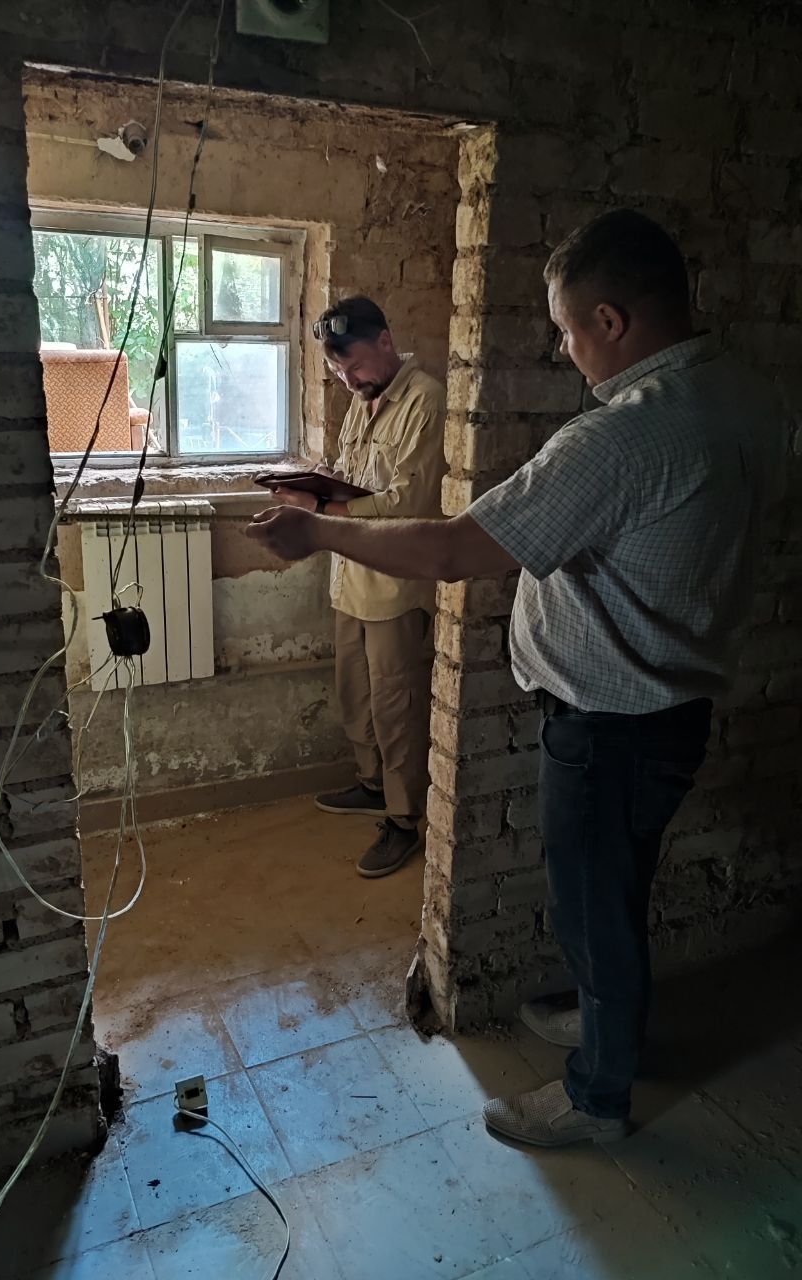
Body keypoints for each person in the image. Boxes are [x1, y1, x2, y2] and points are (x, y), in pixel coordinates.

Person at [246, 211, 786, 1147]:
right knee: (619, 887)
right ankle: (611, 1019)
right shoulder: (747, 393)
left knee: (593, 903)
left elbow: (456, 548)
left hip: (607, 721)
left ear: (610, 321)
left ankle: (597, 1096)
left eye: (568, 330)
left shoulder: (622, 437)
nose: (565, 349)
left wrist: (317, 530)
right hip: (677, 705)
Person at [270, 296, 446, 878]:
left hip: (394, 584)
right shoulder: (361, 398)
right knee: (356, 694)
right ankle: (372, 786)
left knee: (396, 705)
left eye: (354, 366)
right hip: (348, 574)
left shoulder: (426, 401)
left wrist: (320, 508)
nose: (348, 381)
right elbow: (352, 478)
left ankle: (404, 818)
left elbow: (408, 503)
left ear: (386, 341)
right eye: (337, 371)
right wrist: (317, 484)